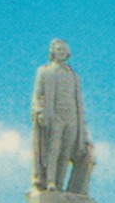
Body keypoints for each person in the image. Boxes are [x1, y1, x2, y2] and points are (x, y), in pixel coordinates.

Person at [31, 39, 96, 193]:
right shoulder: (45, 71)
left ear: (68, 53)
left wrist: (83, 128)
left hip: (72, 117)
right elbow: (38, 94)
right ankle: (50, 181)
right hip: (54, 115)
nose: (61, 52)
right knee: (53, 150)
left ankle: (59, 184)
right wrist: (40, 111)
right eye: (58, 49)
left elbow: (78, 100)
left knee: (66, 151)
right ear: (53, 52)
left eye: (64, 50)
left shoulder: (74, 76)